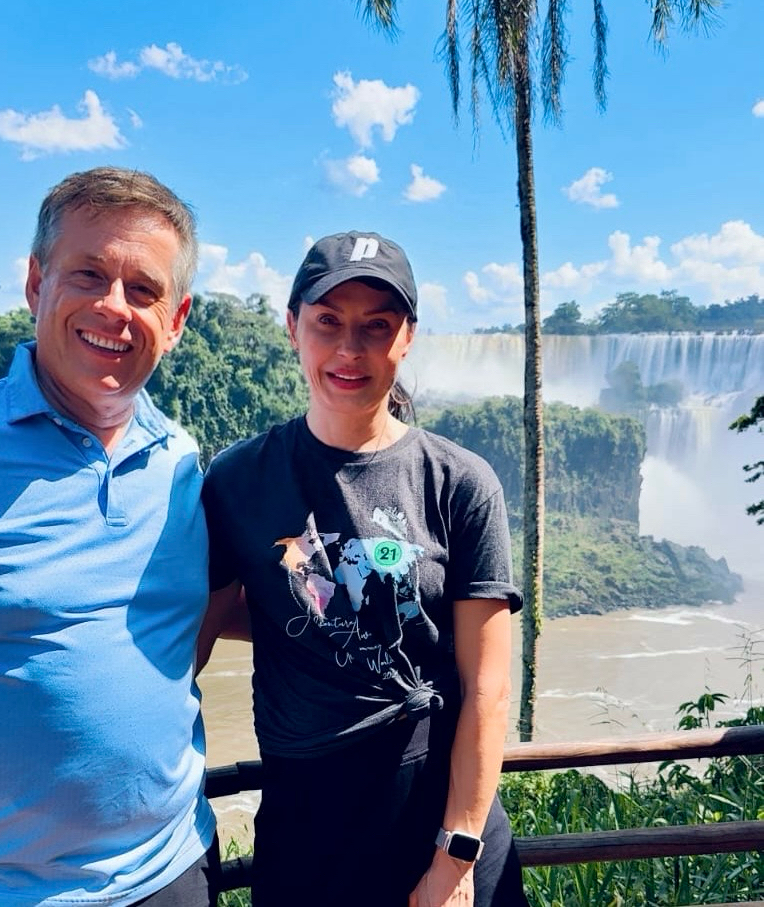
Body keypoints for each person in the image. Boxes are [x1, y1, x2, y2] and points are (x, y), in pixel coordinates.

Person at [0, 168, 219, 907]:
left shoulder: (181, 462)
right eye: (88, 274)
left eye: (144, 289)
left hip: (173, 873)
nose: (113, 307)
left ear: (177, 318)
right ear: (35, 283)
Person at [200, 231, 529, 907]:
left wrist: (456, 856)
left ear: (407, 336)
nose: (350, 349)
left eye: (377, 325)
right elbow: (186, 644)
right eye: (328, 322)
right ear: (293, 327)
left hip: (438, 812)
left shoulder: (459, 482)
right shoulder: (238, 481)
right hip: (308, 822)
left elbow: (489, 687)